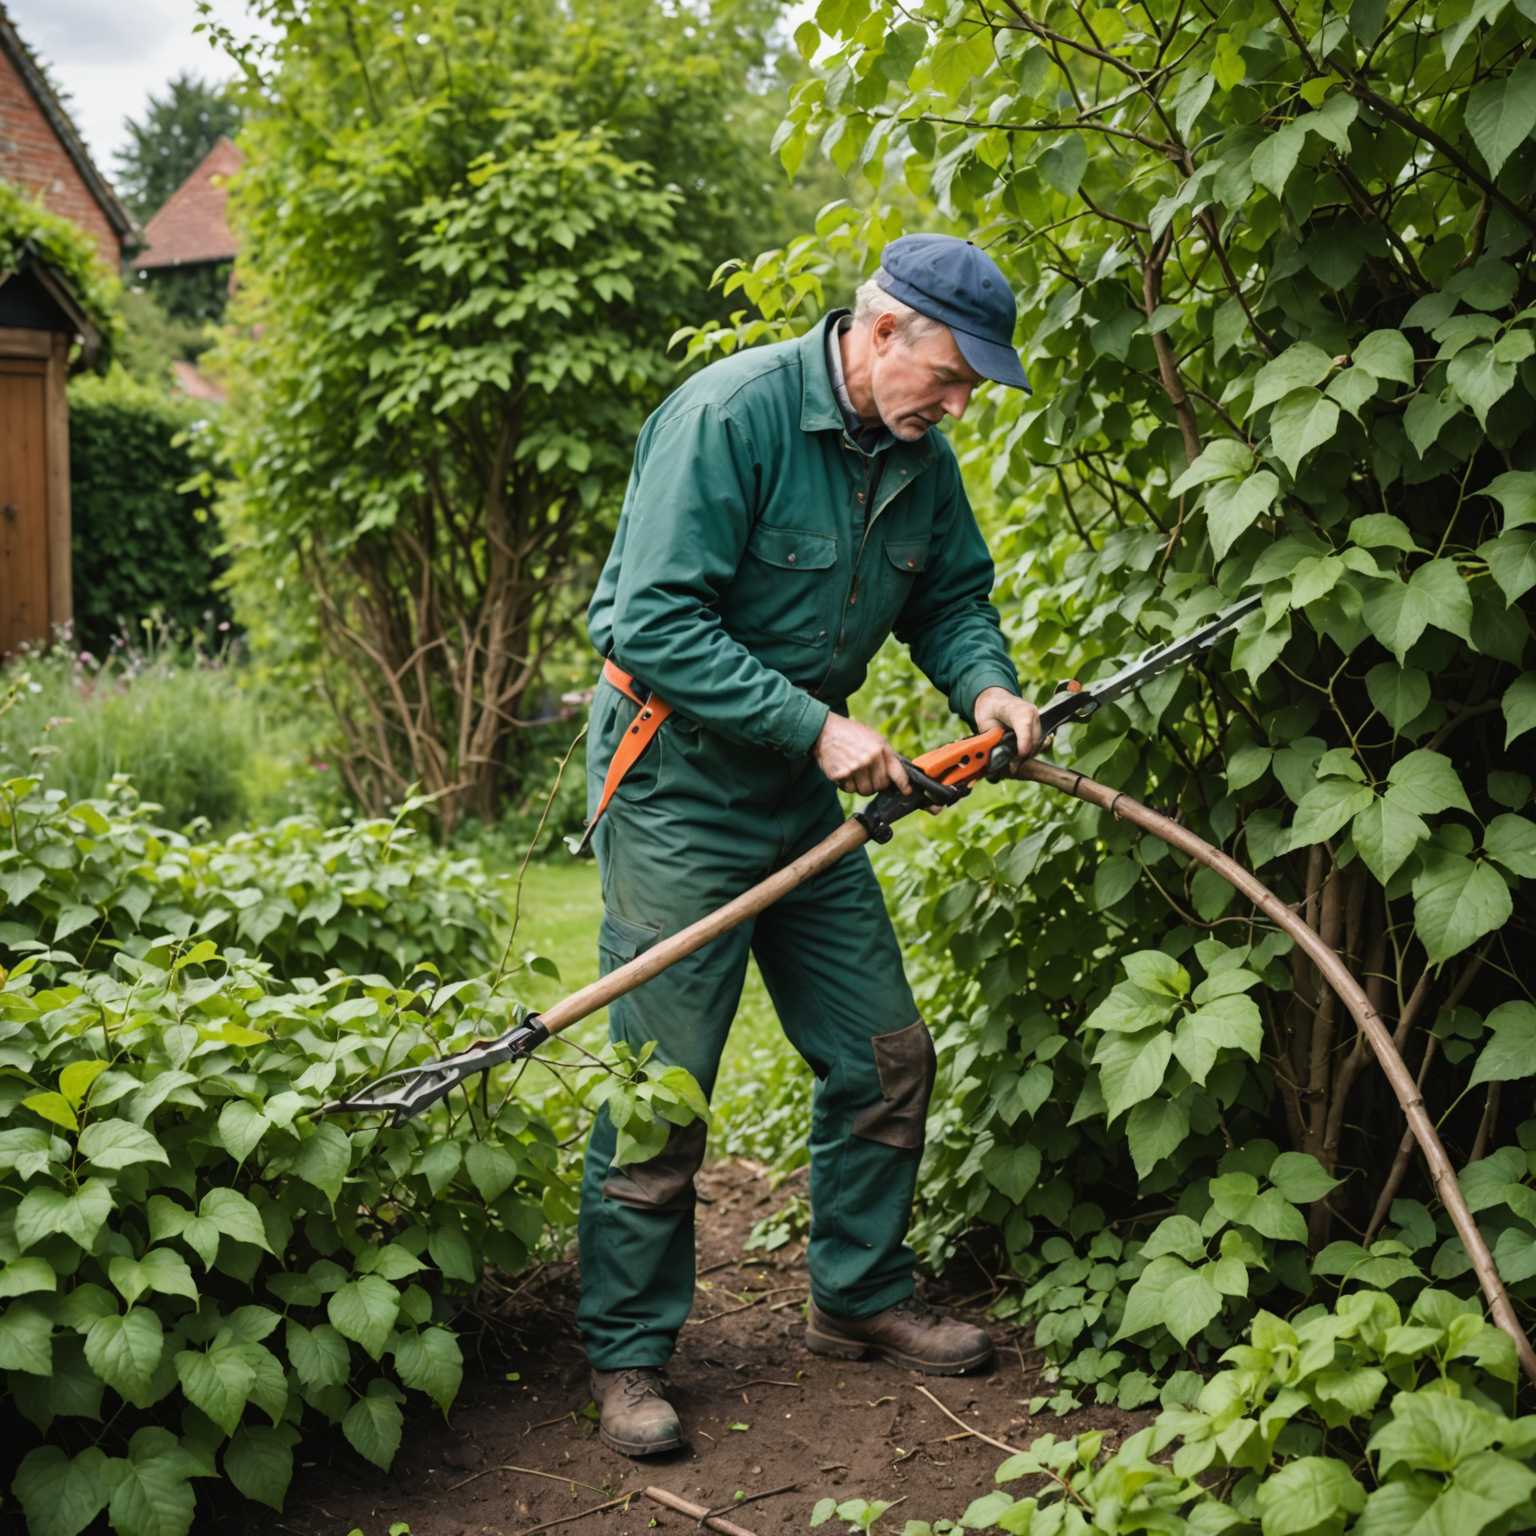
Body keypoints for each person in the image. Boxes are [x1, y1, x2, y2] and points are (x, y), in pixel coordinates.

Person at [578, 234, 1042, 1457]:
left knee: (885, 1052)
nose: (957, 405)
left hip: (798, 795)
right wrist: (818, 727)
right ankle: (628, 1353)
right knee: (663, 1090)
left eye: (971, 389)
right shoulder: (729, 416)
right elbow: (647, 621)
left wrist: (987, 693)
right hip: (677, 789)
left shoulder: (917, 457)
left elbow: (950, 599)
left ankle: (857, 1297)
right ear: (879, 330)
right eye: (948, 375)